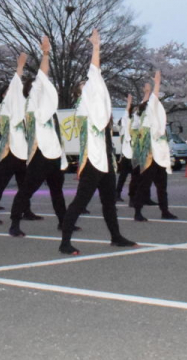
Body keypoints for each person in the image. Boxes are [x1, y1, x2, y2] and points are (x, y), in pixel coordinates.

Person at [57, 29, 136, 255]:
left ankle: (116, 236)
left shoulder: (92, 101)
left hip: (105, 158)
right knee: (80, 202)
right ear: (80, 93)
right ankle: (65, 241)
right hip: (93, 158)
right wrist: (95, 47)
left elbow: (97, 81)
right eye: (85, 84)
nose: (89, 84)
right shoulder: (83, 105)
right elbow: (95, 73)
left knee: (109, 202)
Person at [8, 36, 70, 238]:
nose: (42, 86)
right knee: (26, 190)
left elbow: (44, 78)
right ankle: (14, 223)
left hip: (52, 153)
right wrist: (45, 54)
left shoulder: (46, 110)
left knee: (57, 191)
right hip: (39, 153)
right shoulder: (31, 104)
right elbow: (41, 76)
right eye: (38, 86)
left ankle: (64, 222)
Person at [0, 53, 33, 224]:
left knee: (24, 184)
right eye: (9, 91)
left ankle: (26, 210)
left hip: (21, 150)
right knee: (0, 183)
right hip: (9, 150)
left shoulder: (17, 105)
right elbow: (15, 87)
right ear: (5, 94)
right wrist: (19, 67)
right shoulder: (4, 107)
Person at [132, 71, 178, 222]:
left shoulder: (146, 117)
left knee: (161, 185)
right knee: (145, 184)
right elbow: (153, 100)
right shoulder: (145, 117)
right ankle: (138, 211)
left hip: (158, 153)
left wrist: (148, 91)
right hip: (150, 154)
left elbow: (148, 102)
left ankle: (164, 210)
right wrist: (156, 84)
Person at [115, 95, 135, 201]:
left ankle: (132, 195)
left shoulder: (134, 123)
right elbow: (126, 115)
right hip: (127, 154)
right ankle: (117, 193)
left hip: (133, 153)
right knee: (123, 176)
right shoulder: (125, 125)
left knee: (134, 176)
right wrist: (129, 103)